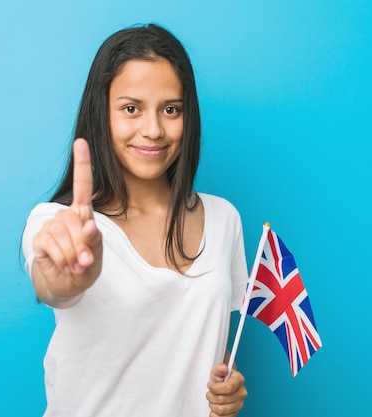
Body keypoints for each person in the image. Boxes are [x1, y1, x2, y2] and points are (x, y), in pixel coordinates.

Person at [22, 23, 248, 417]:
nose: (153, 130)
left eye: (171, 110)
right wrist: (63, 279)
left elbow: (199, 340)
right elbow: (53, 287)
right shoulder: (57, 222)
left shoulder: (224, 218)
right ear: (101, 113)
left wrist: (225, 389)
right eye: (131, 109)